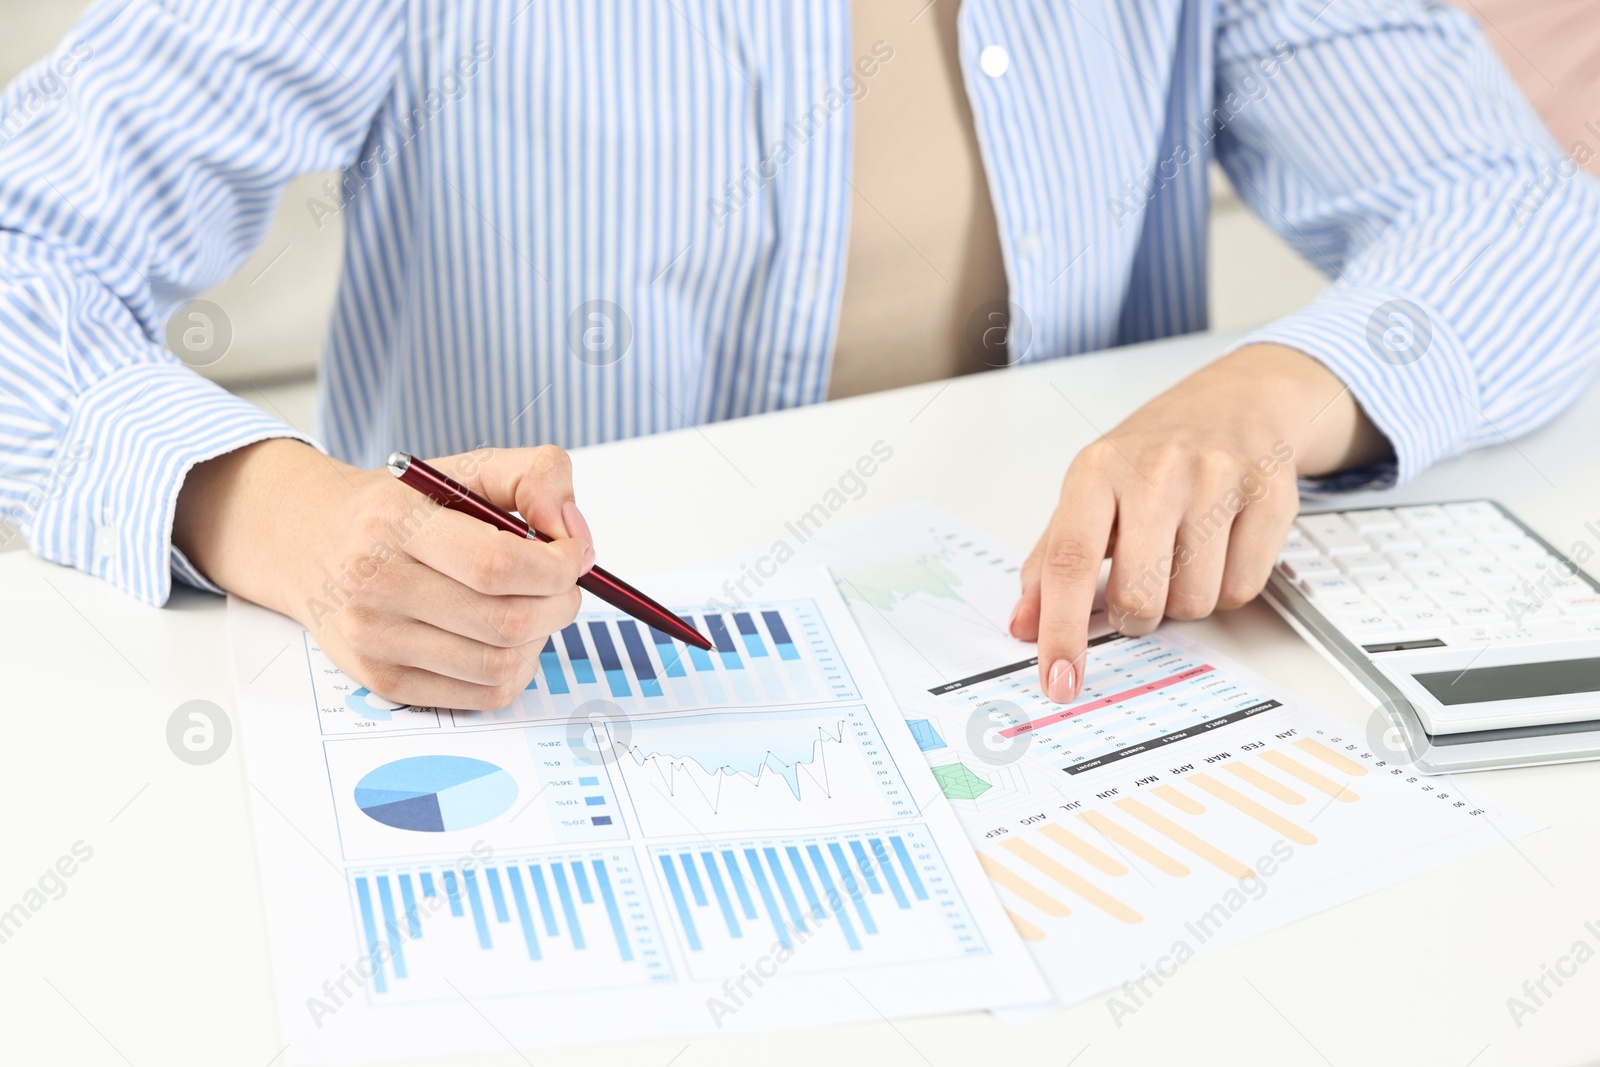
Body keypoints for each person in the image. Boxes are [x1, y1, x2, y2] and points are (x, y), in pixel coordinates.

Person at [1, 0, 1596, 711]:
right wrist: (283, 520)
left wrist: (1274, 394)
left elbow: (1518, 213)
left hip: (1063, 715)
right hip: (533, 724)